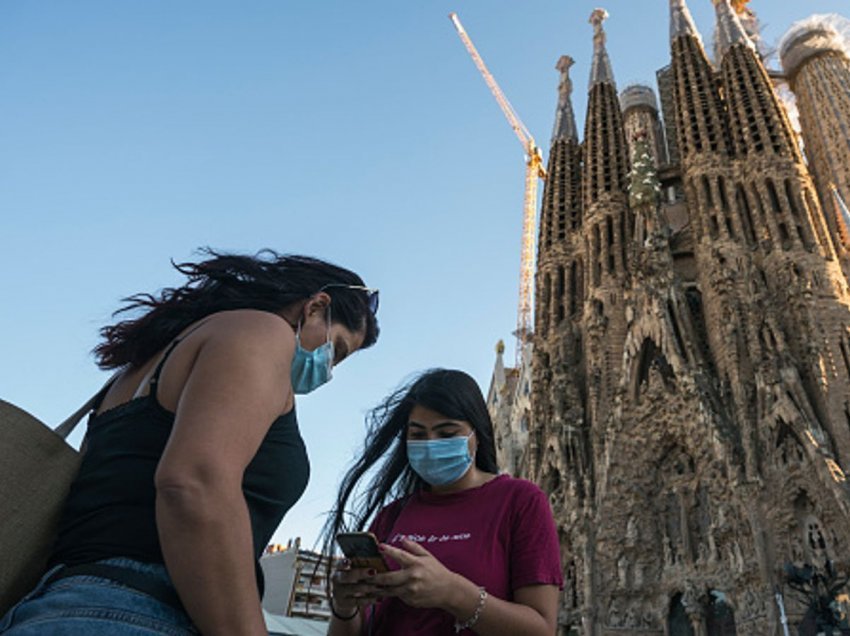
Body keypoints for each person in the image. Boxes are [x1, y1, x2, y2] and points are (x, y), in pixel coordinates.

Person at [0, 249, 379, 636]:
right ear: (317, 306)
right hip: (141, 610)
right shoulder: (263, 333)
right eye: (337, 350)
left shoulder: (136, 371)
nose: (328, 371)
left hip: (56, 603)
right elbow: (194, 484)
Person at [324, 369, 562, 636]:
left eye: (447, 433)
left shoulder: (520, 501)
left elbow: (542, 629)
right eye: (417, 434)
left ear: (477, 435)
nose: (430, 445)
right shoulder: (392, 515)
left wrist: (452, 592)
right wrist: (344, 605)